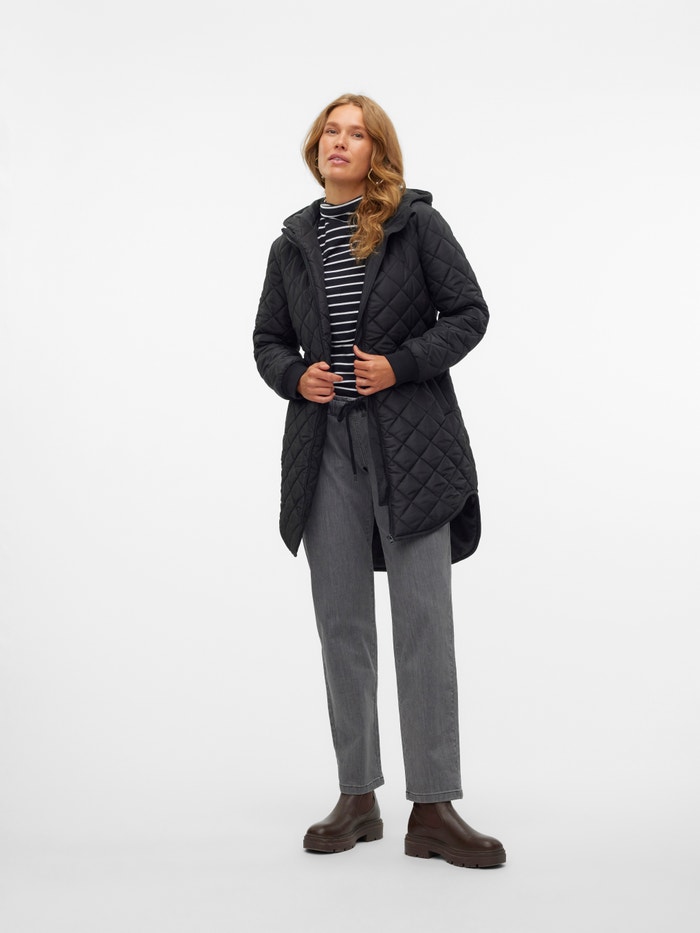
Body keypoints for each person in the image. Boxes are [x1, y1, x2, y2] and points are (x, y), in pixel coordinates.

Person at [253, 93, 505, 869]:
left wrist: (399, 364)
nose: (340, 142)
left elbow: (469, 313)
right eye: (330, 131)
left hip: (412, 443)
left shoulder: (416, 225)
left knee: (424, 620)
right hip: (324, 448)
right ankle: (357, 796)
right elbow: (267, 339)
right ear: (316, 147)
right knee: (342, 623)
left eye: (356, 133)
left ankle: (433, 806)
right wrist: (297, 377)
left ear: (377, 152)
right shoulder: (292, 244)